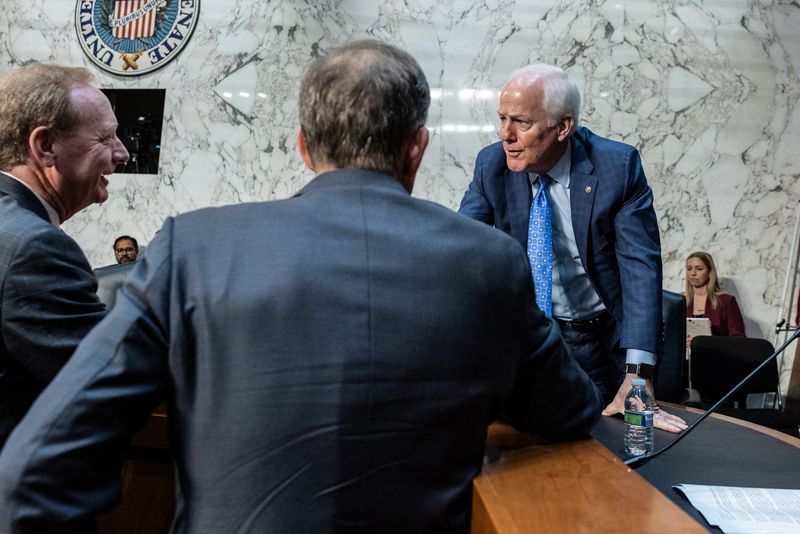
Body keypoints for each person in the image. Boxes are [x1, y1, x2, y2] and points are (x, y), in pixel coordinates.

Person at [0, 41, 601, 533]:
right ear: (416, 149)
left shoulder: (194, 247)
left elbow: (35, 465)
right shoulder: (490, 260)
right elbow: (570, 408)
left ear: (304, 148)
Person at [459, 63, 686, 433]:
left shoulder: (617, 167)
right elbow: (462, 249)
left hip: (603, 338)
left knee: (614, 451)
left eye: (521, 122)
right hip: (535, 338)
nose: (506, 135)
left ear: (562, 127)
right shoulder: (492, 165)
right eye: (502, 119)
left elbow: (641, 270)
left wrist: (639, 377)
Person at [0, 64, 128, 447]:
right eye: (106, 138)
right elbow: (109, 377)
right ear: (45, 147)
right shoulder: (34, 247)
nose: (121, 153)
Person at [685, 251, 745, 347]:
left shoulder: (727, 301)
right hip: (684, 360)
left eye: (699, 269)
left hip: (717, 359)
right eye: (689, 269)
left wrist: (710, 343)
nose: (693, 273)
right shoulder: (679, 302)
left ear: (709, 272)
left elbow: (739, 339)